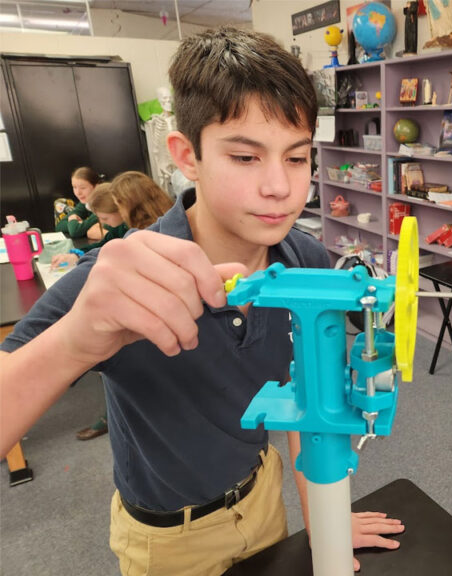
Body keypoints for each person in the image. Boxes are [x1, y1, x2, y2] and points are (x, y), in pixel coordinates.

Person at [0, 28, 403, 576]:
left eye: (296, 157)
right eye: (244, 157)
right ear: (187, 156)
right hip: (168, 540)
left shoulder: (305, 258)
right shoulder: (125, 278)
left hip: (263, 502)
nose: (279, 187)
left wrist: (321, 520)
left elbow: (307, 406)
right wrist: (77, 339)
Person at [70, 172, 174, 441]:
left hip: (153, 316)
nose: (108, 217)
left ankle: (115, 416)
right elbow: (106, 245)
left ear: (128, 204)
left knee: (116, 358)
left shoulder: (145, 235)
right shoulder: (156, 222)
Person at [55, 166, 106, 240]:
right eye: (74, 187)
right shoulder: (86, 202)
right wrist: (80, 225)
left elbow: (75, 231)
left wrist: (74, 221)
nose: (78, 192)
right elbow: (59, 226)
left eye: (83, 188)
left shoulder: (104, 204)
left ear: (96, 186)